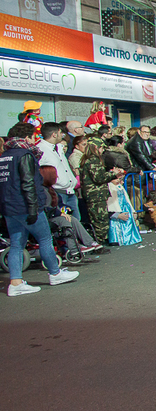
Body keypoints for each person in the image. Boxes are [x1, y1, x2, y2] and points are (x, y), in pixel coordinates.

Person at [0, 122, 80, 295]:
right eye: (33, 137)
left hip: (9, 207)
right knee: (44, 239)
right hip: (26, 206)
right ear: (27, 137)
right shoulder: (25, 155)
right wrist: (33, 207)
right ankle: (55, 273)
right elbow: (28, 183)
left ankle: (15, 283)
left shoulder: (4, 155)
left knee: (16, 245)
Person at [39, 122, 81, 221]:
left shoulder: (59, 148)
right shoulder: (41, 150)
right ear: (54, 134)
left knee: (75, 221)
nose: (62, 135)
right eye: (60, 133)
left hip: (70, 192)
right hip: (58, 193)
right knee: (65, 222)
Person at [107, 172, 141, 246]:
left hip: (125, 207)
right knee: (117, 225)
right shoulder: (110, 187)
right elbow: (111, 201)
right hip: (118, 209)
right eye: (117, 179)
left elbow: (127, 198)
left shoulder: (120, 186)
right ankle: (118, 240)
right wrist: (116, 213)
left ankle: (130, 238)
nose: (119, 181)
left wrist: (132, 211)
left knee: (128, 224)